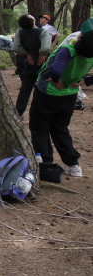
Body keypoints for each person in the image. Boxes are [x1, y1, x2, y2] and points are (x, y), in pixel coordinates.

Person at [29, 21, 93, 177]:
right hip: (69, 96)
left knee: (39, 128)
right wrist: (86, 81)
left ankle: (45, 163)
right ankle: (73, 164)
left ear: (81, 37)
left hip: (48, 94)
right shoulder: (91, 55)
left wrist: (56, 79)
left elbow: (57, 69)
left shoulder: (68, 50)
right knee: (60, 129)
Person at [12, 14, 51, 117]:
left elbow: (15, 48)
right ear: (33, 22)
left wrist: (27, 53)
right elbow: (45, 49)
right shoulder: (42, 32)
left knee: (26, 88)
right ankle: (41, 113)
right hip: (44, 63)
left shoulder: (20, 32)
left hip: (30, 62)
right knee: (43, 87)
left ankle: (19, 112)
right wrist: (42, 55)